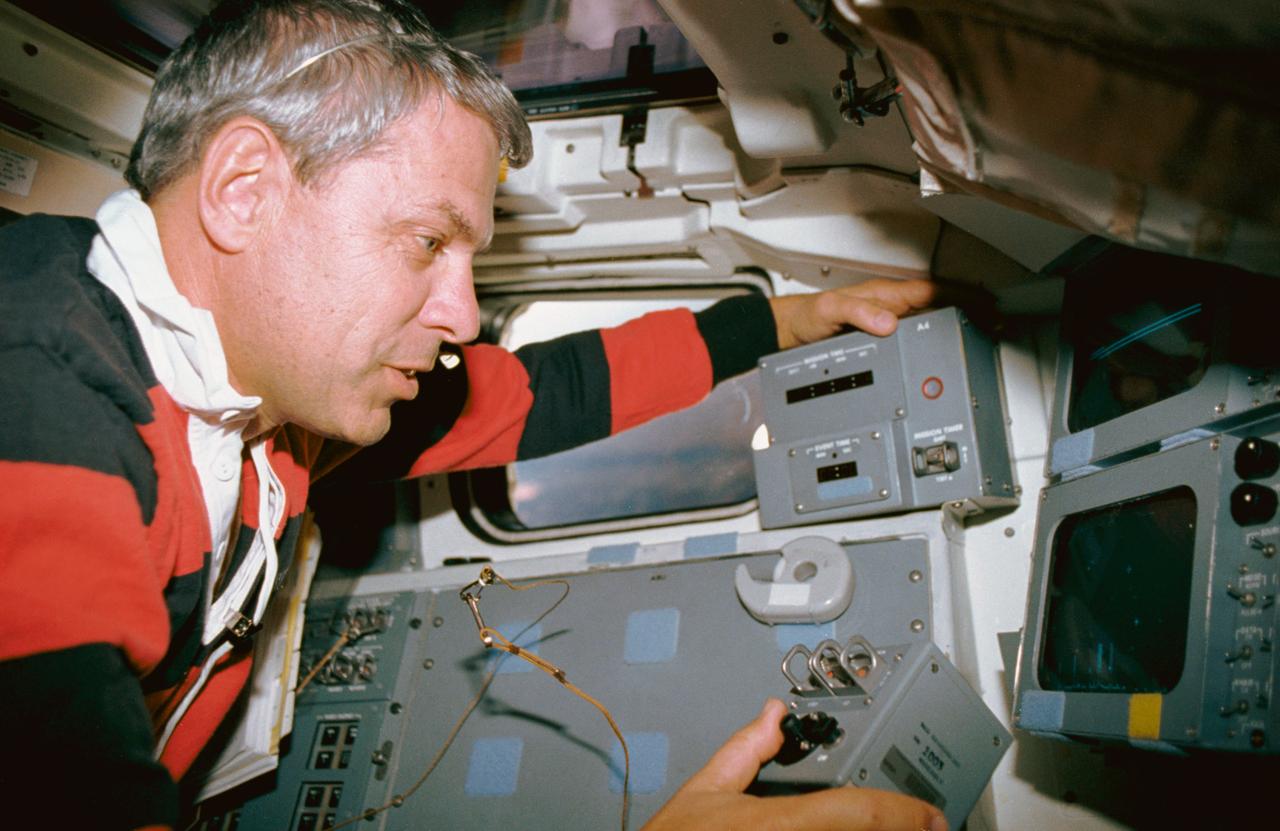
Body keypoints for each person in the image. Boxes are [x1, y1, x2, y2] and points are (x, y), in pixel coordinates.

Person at [0, 2, 944, 829]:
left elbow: (541, 394)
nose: (459, 316)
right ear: (244, 191)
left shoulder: (269, 399)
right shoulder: (39, 414)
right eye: (427, 241)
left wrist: (782, 320)